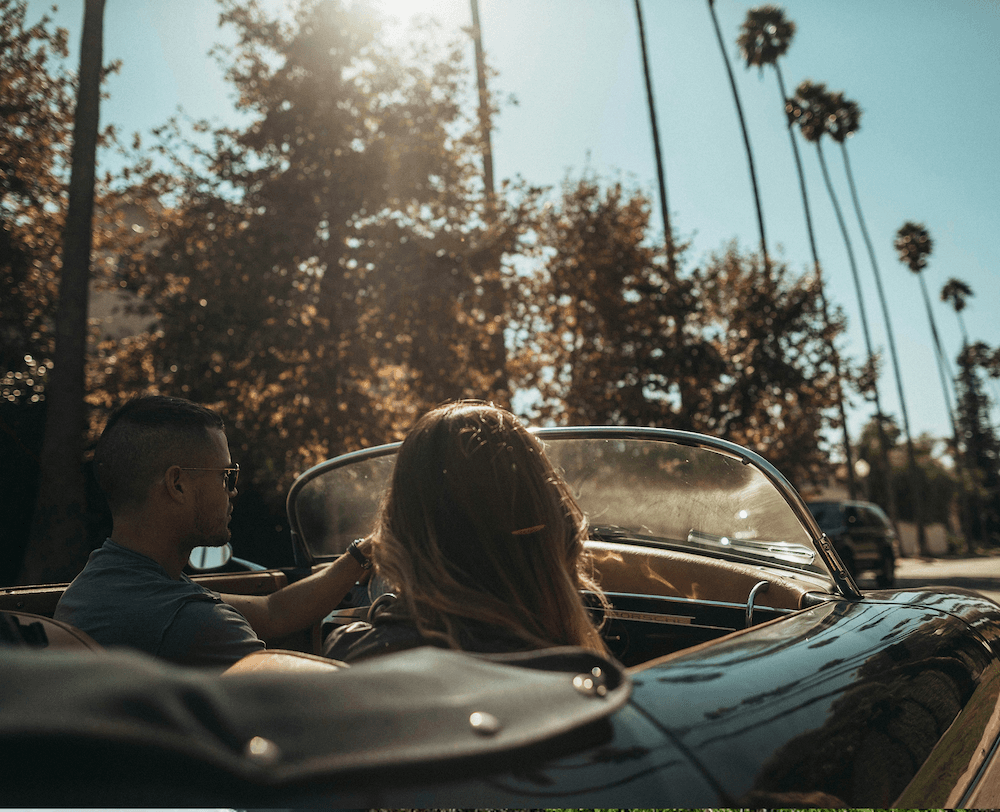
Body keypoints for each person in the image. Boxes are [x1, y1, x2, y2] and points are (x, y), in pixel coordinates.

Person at [54, 395, 372, 668]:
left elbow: (274, 611)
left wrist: (362, 554)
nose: (232, 492)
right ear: (177, 484)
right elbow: (321, 699)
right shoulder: (191, 621)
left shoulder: (100, 586)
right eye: (226, 476)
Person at [323, 400, 609, 662]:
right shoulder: (585, 679)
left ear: (400, 533)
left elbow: (276, 613)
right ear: (556, 522)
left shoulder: (353, 652)